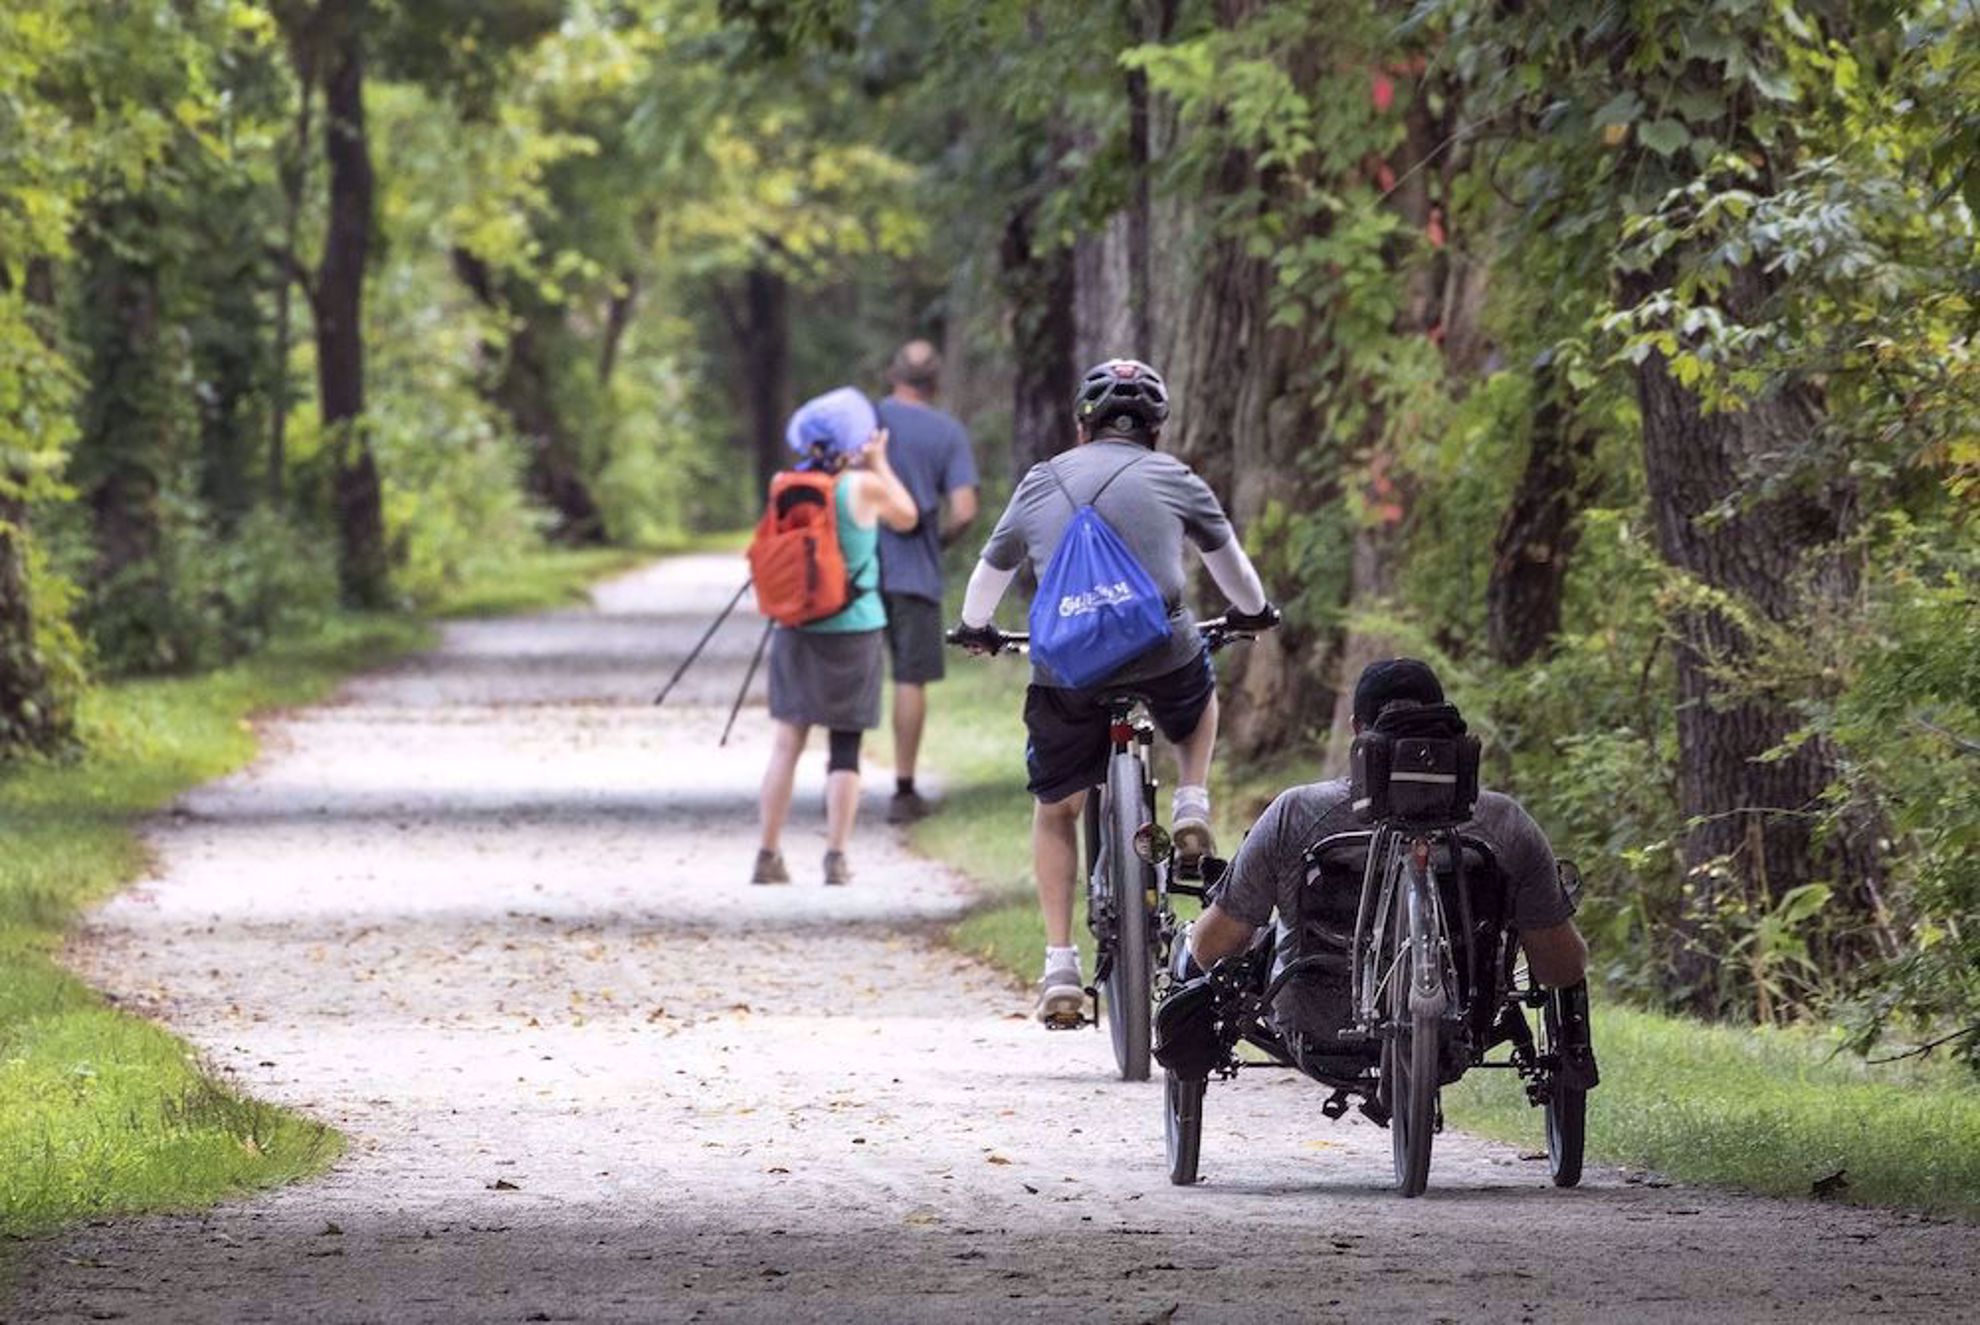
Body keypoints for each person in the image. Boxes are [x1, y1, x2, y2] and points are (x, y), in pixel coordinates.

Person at [952, 358, 1277, 1025]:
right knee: (1198, 697)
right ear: (1156, 427)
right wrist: (1254, 613)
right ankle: (1190, 801)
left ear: (1083, 423)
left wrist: (976, 629)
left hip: (1067, 671)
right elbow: (1234, 574)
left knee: (1055, 808)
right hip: (1162, 655)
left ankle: (1061, 964)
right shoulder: (1175, 477)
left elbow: (988, 577)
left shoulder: (1042, 481)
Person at [1169, 657, 1597, 1086]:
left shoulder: (1296, 813)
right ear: (1440, 725)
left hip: (1317, 1022)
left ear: (1357, 729)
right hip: (1465, 1020)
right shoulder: (1505, 823)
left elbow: (1213, 947)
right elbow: (1561, 967)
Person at [754, 387, 918, 887]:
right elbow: (908, 517)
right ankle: (836, 857)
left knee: (786, 743)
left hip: (795, 625)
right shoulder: (864, 487)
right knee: (844, 748)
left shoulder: (784, 482)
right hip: (855, 629)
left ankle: (768, 853)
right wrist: (881, 461)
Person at [873, 340, 979, 825]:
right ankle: (903, 788)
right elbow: (965, 510)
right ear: (935, 383)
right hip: (914, 573)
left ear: (893, 375)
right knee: (909, 679)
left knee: (851, 669)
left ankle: (839, 778)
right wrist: (935, 542)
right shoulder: (948, 432)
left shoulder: (866, 421)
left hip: (856, 570)